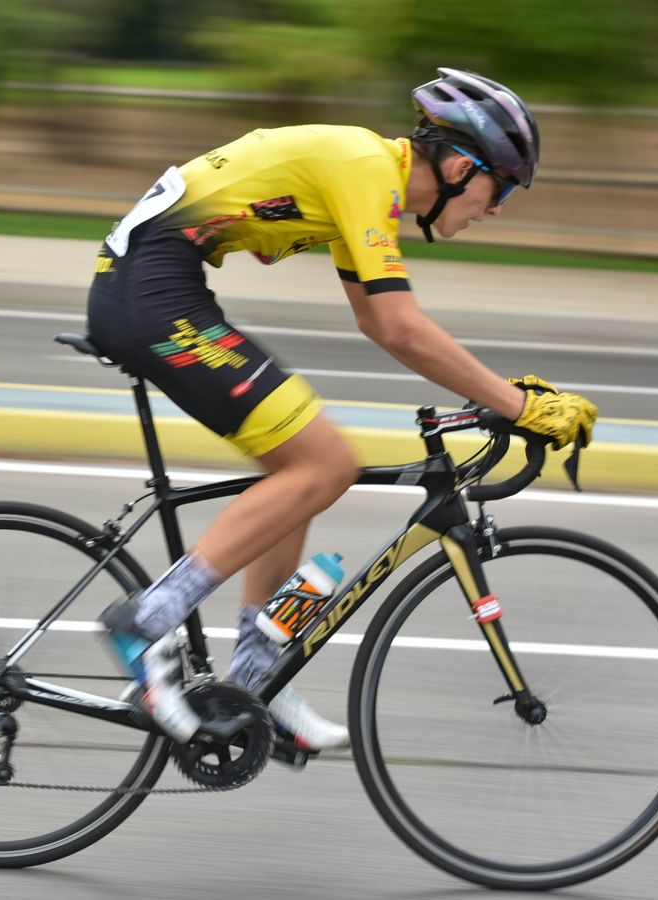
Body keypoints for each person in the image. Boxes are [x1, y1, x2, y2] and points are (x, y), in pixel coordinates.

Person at [86, 68, 598, 750]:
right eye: (499, 185)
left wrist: (505, 400)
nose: (497, 206)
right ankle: (145, 621)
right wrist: (520, 405)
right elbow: (403, 326)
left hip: (158, 285)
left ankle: (252, 678)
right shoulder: (364, 168)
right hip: (147, 292)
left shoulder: (366, 182)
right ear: (456, 163)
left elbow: (380, 324)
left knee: (306, 467)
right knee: (325, 461)